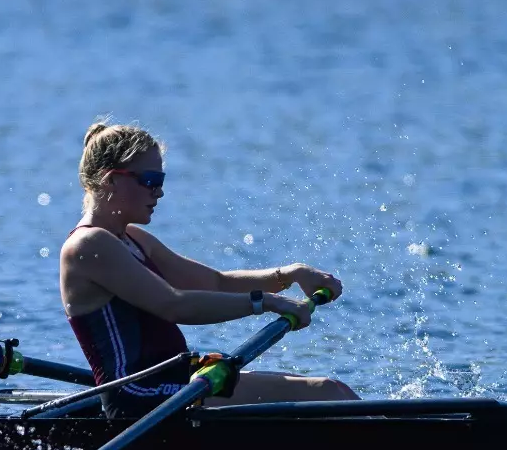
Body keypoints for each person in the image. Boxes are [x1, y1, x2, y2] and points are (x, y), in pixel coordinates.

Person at [59, 120, 358, 416]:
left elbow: (216, 283)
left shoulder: (134, 239)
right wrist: (265, 303)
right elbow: (173, 305)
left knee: (335, 390)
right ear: (111, 180)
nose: (158, 192)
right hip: (140, 398)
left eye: (161, 181)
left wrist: (290, 274)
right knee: (327, 394)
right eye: (150, 180)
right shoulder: (88, 245)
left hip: (175, 383)